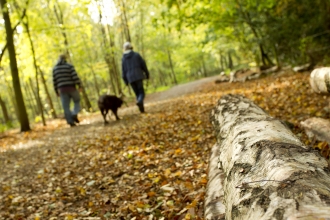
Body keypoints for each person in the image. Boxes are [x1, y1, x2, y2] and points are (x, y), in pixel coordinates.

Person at [53, 54, 82, 127]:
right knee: (77, 100)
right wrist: (79, 85)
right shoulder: (69, 66)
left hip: (62, 89)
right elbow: (75, 76)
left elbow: (54, 81)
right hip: (71, 87)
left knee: (65, 106)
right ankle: (74, 113)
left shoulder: (55, 68)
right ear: (65, 59)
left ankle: (70, 121)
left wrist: (56, 91)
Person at [122, 42, 150, 113]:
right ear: (131, 47)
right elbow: (143, 64)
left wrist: (125, 81)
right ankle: (140, 101)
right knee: (141, 92)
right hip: (138, 76)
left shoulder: (123, 59)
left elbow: (123, 71)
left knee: (137, 93)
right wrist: (147, 74)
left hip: (130, 78)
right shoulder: (136, 55)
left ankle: (141, 109)